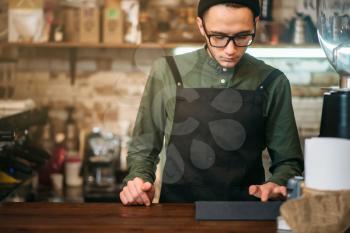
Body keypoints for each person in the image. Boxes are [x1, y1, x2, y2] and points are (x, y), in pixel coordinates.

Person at [120, 0, 304, 206]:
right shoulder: (168, 71)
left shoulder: (272, 82)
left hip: (248, 213)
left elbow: (288, 161)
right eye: (218, 37)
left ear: (256, 24)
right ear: (201, 26)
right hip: (177, 213)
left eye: (243, 36)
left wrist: (277, 184)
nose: (230, 49)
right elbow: (144, 147)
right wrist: (139, 181)